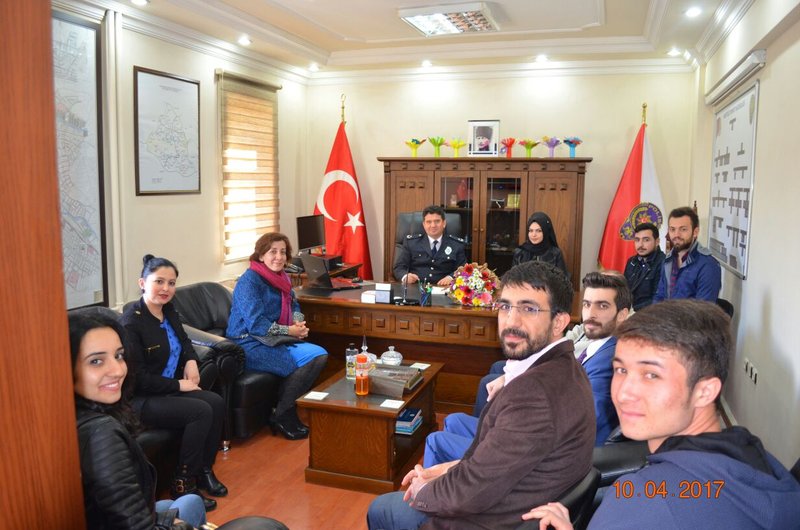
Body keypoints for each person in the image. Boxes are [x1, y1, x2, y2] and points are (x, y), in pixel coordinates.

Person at [523, 300, 800, 529]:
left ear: (705, 391)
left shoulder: (642, 501)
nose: (624, 393)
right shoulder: (755, 456)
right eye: (621, 370)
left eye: (651, 375)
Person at [367, 261, 595, 530]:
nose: (511, 321)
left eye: (529, 309)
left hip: (490, 520)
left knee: (381, 508)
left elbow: (473, 489)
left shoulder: (534, 396)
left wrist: (424, 491)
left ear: (559, 322)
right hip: (511, 495)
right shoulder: (565, 367)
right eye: (505, 306)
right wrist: (441, 471)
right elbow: (495, 462)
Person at [423, 271, 629, 467]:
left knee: (436, 441)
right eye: (586, 304)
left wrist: (521, 418)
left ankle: (436, 490)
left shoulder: (610, 361)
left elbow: (582, 422)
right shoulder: (596, 347)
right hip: (533, 435)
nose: (591, 314)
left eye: (602, 306)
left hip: (544, 452)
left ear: (622, 314)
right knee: (453, 420)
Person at [70, 312, 207, 529]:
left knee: (187, 502)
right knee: (192, 504)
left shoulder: (70, 417)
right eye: (96, 361)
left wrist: (165, 520)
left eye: (119, 356)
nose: (117, 370)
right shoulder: (102, 434)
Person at [121, 255, 226, 511]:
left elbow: (184, 340)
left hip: (166, 390)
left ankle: (204, 470)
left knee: (216, 402)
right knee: (200, 411)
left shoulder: (168, 310)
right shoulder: (132, 322)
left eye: (171, 283)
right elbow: (138, 379)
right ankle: (183, 482)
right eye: (159, 281)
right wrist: (179, 386)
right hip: (141, 399)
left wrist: (190, 360)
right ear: (143, 283)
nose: (166, 288)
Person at [226, 232, 328, 440]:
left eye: (283, 252)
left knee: (319, 354)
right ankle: (284, 414)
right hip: (248, 342)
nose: (279, 257)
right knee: (295, 364)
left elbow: (294, 304)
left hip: (273, 338)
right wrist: (289, 331)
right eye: (273, 252)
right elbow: (257, 325)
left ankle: (281, 410)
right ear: (261, 255)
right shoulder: (249, 281)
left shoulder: (282, 277)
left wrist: (298, 323)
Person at [653, 206, 721, 302]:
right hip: (666, 311)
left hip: (689, 312)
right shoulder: (667, 260)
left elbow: (703, 308)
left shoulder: (708, 265)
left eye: (683, 229)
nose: (676, 235)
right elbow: (659, 296)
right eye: (672, 229)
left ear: (695, 232)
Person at [392, 204, 467, 286]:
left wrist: (451, 277)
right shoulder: (411, 243)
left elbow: (463, 269)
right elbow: (399, 267)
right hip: (416, 288)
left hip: (443, 289)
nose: (433, 225)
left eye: (437, 221)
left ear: (444, 223)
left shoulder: (456, 244)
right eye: (429, 222)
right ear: (424, 224)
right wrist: (405, 277)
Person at [511, 212, 569, 279]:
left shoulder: (555, 253)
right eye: (531, 230)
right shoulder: (519, 253)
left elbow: (562, 280)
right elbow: (513, 279)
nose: (534, 235)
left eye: (538, 231)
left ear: (545, 231)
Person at [623, 222, 665, 310]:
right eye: (637, 240)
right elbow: (624, 290)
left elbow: (659, 299)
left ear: (657, 242)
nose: (640, 245)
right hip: (628, 311)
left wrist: (633, 310)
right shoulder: (631, 261)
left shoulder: (664, 263)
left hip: (649, 314)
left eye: (646, 240)